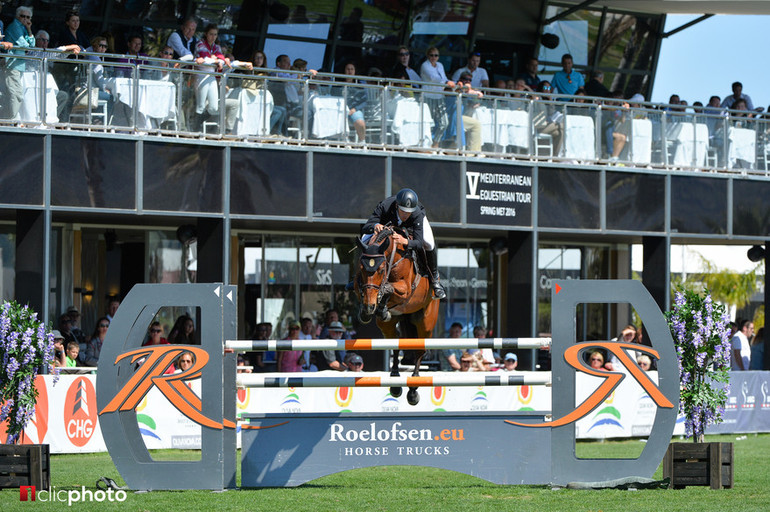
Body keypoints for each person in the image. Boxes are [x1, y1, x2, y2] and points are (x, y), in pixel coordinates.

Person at [361, 188, 446, 299]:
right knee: (363, 240)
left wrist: (405, 241)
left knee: (429, 243)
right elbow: (366, 227)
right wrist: (375, 225)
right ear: (397, 206)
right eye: (403, 211)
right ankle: (358, 277)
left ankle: (435, 279)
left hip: (411, 228)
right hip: (387, 226)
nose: (406, 215)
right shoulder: (384, 206)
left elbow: (419, 243)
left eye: (409, 212)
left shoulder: (416, 214)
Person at [1, 6, 37, 120]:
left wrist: (29, 29)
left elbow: (32, 45)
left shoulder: (24, 28)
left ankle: (7, 119)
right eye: (23, 16)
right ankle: (11, 120)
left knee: (12, 94)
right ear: (17, 16)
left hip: (19, 66)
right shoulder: (15, 26)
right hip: (11, 65)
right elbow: (25, 45)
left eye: (28, 17)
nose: (25, 19)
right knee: (16, 94)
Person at [193, 24, 229, 132]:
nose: (213, 37)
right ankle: (195, 130)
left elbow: (222, 60)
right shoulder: (200, 43)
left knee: (213, 107)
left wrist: (216, 60)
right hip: (201, 75)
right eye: (211, 34)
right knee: (200, 105)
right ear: (206, 34)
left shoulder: (216, 47)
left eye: (215, 34)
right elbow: (204, 59)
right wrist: (216, 60)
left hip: (212, 76)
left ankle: (198, 123)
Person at [419, 46, 452, 147]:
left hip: (439, 96)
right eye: (431, 55)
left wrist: (453, 83)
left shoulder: (440, 65)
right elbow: (433, 78)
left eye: (436, 55)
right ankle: (425, 145)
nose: (434, 57)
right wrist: (448, 82)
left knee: (444, 122)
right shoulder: (425, 65)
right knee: (429, 123)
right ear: (428, 56)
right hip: (428, 96)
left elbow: (444, 77)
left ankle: (436, 143)